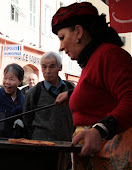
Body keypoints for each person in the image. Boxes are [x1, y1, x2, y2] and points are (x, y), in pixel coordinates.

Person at [52, 2, 132, 169]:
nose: (60, 46)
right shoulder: (94, 60)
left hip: (113, 157)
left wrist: (100, 130)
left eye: (62, 37)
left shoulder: (109, 55)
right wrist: (71, 95)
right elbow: (99, 92)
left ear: (79, 31)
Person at [23, 51, 75, 170]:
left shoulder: (71, 89)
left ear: (60, 67)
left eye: (52, 66)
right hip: (41, 147)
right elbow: (27, 119)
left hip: (65, 146)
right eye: (44, 67)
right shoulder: (34, 92)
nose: (47, 70)